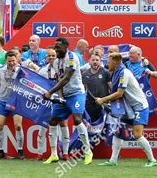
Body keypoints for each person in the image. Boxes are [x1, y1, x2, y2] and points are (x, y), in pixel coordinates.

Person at [96, 53, 157, 167]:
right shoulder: (116, 73)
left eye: (108, 61)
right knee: (118, 132)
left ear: (115, 62)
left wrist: (103, 100)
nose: (106, 63)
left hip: (140, 107)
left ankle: (152, 160)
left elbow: (119, 93)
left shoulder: (124, 73)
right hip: (129, 108)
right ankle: (113, 160)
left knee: (137, 134)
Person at [43, 37, 92, 165]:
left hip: (76, 94)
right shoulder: (55, 62)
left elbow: (66, 79)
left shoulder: (72, 58)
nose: (56, 50)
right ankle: (54, 154)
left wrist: (50, 93)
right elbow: (58, 79)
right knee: (53, 121)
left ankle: (88, 151)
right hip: (65, 96)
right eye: (55, 47)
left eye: (58, 47)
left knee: (77, 119)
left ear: (66, 47)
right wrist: (59, 96)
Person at [37, 46, 68, 161]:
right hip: (46, 102)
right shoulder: (42, 71)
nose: (51, 58)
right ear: (45, 58)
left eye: (53, 56)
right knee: (43, 126)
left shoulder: (63, 69)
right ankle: (40, 153)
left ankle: (65, 153)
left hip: (59, 101)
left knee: (63, 125)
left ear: (57, 56)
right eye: (48, 56)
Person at [0, 51, 24, 160]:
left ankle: (20, 151)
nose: (11, 63)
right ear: (6, 61)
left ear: (17, 60)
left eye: (13, 61)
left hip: (16, 101)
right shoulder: (0, 71)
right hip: (3, 100)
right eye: (9, 61)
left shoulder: (21, 71)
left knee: (18, 126)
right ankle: (0, 151)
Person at [81, 53, 112, 122]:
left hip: (104, 104)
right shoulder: (84, 74)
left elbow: (111, 88)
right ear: (89, 62)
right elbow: (83, 90)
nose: (95, 62)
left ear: (100, 62)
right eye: (93, 60)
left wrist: (111, 101)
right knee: (91, 127)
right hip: (90, 105)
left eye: (97, 60)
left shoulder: (106, 72)